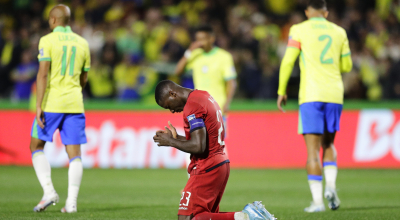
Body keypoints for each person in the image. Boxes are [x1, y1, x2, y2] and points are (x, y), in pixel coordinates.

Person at [153, 80, 276, 220]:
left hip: (206, 167)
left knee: (186, 218)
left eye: (169, 106)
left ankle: (249, 216)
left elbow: (199, 146)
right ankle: (246, 216)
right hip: (220, 163)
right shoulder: (202, 96)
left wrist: (171, 142)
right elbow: (204, 139)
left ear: (172, 94)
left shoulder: (192, 106)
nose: (172, 111)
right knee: (202, 217)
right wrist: (177, 138)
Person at [277, 0, 353, 213]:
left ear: (308, 11)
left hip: (311, 95)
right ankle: (331, 186)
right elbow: (347, 66)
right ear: (326, 12)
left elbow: (288, 61)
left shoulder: (299, 29)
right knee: (328, 144)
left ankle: (318, 202)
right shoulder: (339, 31)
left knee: (312, 152)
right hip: (335, 94)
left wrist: (282, 90)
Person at [30, 4, 91, 213]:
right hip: (75, 103)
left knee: (36, 146)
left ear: (53, 20)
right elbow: (84, 77)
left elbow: (43, 74)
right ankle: (71, 203)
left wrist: (38, 105)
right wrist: (74, 91)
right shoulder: (83, 43)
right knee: (75, 154)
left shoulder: (47, 40)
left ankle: (49, 191)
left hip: (52, 103)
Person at [175, 25, 237, 123]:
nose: (199, 42)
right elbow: (178, 71)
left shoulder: (224, 57)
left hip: (217, 108)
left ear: (211, 39)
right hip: (199, 110)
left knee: (217, 138)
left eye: (203, 39)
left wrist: (227, 103)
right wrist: (189, 51)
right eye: (197, 39)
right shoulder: (195, 55)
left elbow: (231, 82)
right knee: (200, 138)